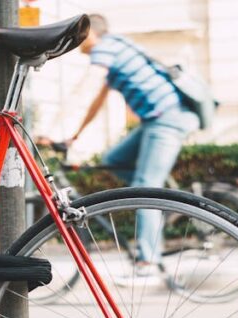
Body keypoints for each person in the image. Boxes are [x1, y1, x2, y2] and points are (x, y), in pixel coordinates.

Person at [61, 14, 200, 284]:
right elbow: (96, 103)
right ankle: (160, 204)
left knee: (143, 187)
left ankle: (147, 263)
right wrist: (73, 136)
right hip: (154, 121)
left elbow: (85, 89)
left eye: (78, 36)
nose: (76, 43)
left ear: (90, 33)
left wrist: (55, 126)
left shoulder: (106, 49)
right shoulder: (116, 50)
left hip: (168, 118)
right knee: (113, 160)